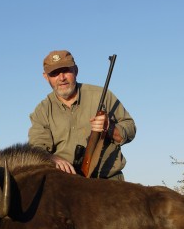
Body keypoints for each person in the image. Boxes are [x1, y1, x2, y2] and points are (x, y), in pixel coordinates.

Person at [28, 50, 136, 180]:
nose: (61, 78)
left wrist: (110, 128)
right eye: (54, 73)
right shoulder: (42, 110)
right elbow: (37, 148)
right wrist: (52, 159)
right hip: (68, 183)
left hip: (109, 180)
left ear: (76, 71)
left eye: (66, 70)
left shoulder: (102, 95)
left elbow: (130, 128)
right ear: (46, 77)